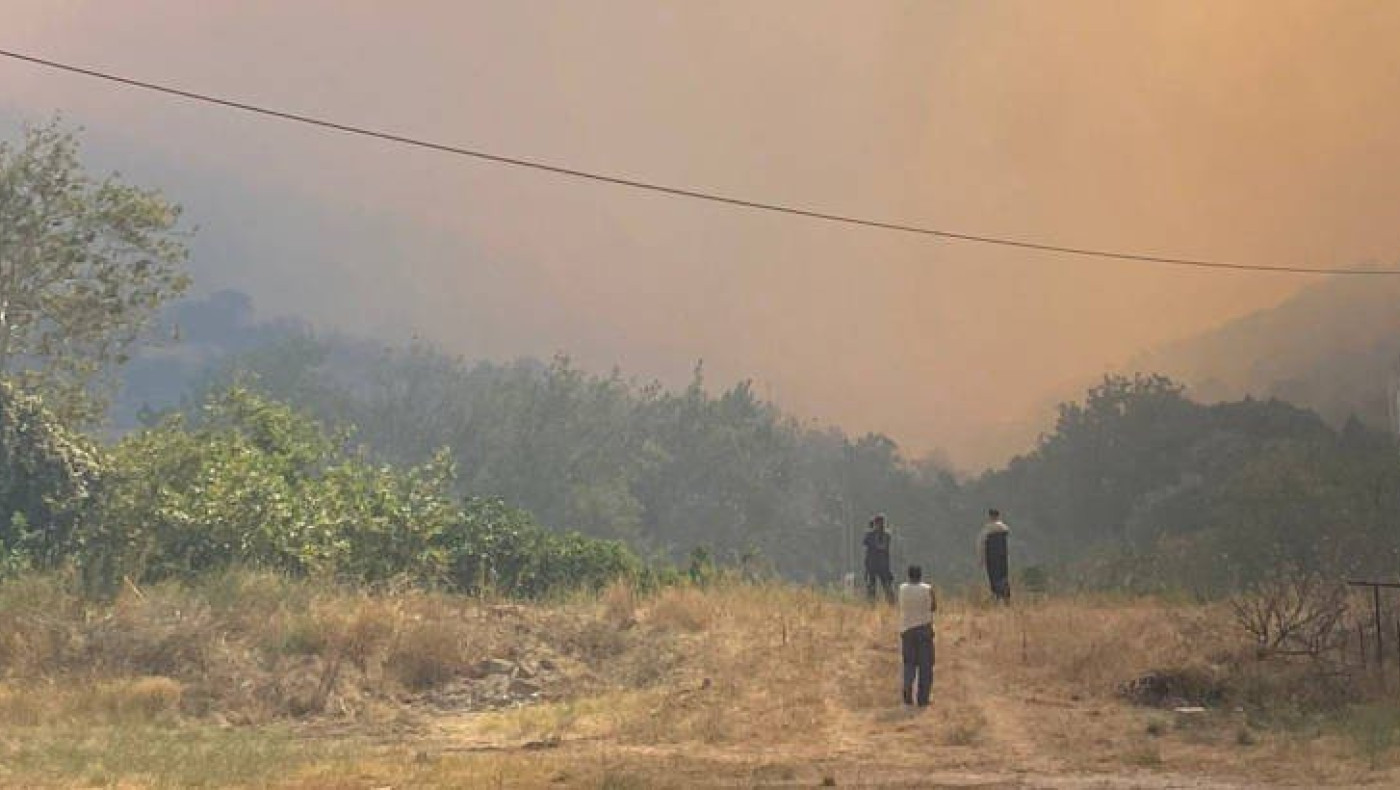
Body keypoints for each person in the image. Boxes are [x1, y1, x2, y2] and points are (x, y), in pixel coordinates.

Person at [898, 564, 936, 707]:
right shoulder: (928, 589)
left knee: (909, 664)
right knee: (925, 667)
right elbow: (934, 607)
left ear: (909, 575)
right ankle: (922, 698)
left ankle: (907, 689)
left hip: (907, 630)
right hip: (924, 630)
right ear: (920, 575)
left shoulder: (902, 589)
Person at [978, 508, 1011, 603]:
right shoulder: (1004, 529)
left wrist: (981, 559)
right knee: (1003, 577)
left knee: (994, 577)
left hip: (992, 558)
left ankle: (997, 597)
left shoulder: (987, 530)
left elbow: (981, 544)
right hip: (1002, 557)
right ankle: (1005, 597)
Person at [862, 514, 895, 603]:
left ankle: (891, 605)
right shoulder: (870, 535)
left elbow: (882, 547)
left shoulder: (886, 535)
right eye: (879, 523)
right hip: (872, 564)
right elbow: (866, 543)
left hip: (882, 565)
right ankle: (872, 605)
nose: (881, 525)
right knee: (871, 587)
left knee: (887, 587)